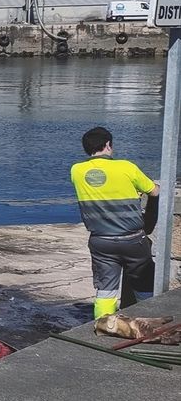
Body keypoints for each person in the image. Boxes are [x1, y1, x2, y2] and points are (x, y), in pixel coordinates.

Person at [70, 126, 159, 319]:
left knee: (105, 291)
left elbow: (101, 187)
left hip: (101, 241)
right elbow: (154, 191)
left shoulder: (76, 171)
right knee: (144, 286)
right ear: (108, 145)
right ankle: (148, 322)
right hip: (133, 239)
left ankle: (103, 326)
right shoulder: (126, 167)